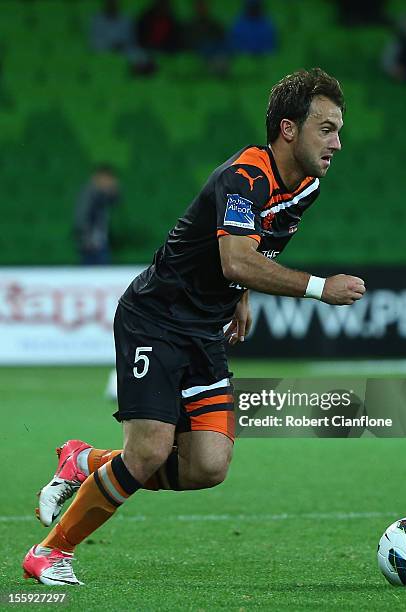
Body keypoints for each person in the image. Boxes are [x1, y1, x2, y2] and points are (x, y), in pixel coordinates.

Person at [23, 67, 366, 585]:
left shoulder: (307, 184)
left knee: (208, 465)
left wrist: (242, 294)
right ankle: (51, 552)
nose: (337, 142)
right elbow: (235, 258)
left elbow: (256, 243)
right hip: (155, 319)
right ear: (288, 129)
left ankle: (84, 461)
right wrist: (320, 288)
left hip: (204, 328)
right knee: (150, 451)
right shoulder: (244, 176)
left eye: (339, 129)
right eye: (326, 128)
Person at [73, 165, 120, 266]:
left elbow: (115, 200)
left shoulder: (101, 195)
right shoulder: (89, 194)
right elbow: (81, 217)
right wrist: (87, 238)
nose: (109, 182)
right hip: (91, 243)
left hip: (100, 241)